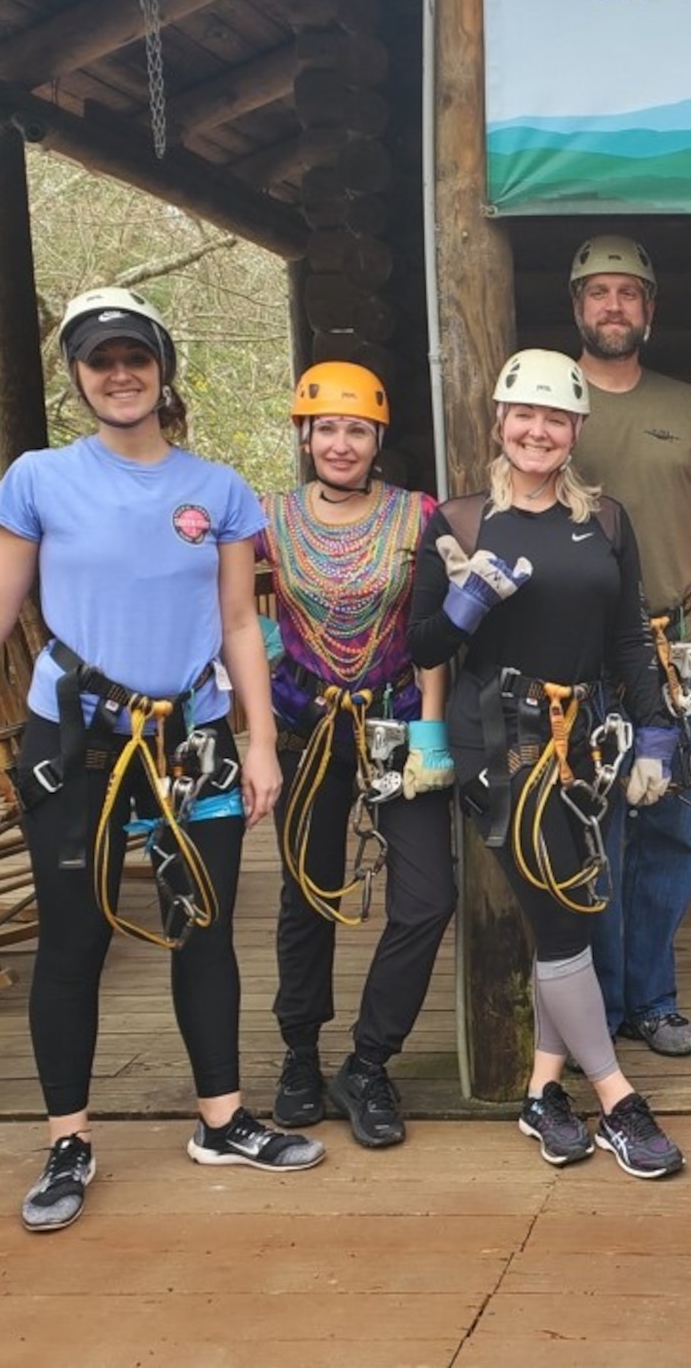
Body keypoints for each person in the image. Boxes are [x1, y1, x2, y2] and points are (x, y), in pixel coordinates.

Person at [0, 287, 322, 1233]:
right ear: (77, 376)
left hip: (193, 742)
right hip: (77, 743)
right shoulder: (38, 479)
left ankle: (223, 1120)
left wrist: (260, 740)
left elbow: (241, 621)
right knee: (75, 939)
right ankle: (68, 1137)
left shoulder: (218, 490)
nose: (120, 374)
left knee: (206, 929)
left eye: (135, 357)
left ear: (161, 369)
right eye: (100, 360)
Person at [407, 348, 686, 1180]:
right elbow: (421, 647)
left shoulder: (605, 521)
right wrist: (467, 603)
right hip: (497, 741)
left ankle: (539, 1092)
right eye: (524, 415)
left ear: (575, 431)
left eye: (555, 418)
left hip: (582, 740)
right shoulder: (458, 524)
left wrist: (657, 730)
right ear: (500, 422)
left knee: (570, 915)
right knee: (564, 920)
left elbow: (630, 639)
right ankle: (617, 1097)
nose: (538, 430)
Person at [262, 361, 456, 1149]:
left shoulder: (418, 517)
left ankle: (369, 1062)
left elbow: (434, 627)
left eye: (358, 430)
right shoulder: (266, 519)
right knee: (307, 892)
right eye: (328, 429)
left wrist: (433, 729)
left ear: (379, 439)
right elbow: (235, 619)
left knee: (427, 897)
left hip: (398, 719)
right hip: (306, 725)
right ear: (306, 436)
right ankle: (301, 1054)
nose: (342, 444)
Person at [564, 234, 691, 1059]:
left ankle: (653, 997)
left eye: (628, 293)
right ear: (577, 306)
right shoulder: (550, 401)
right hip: (584, 658)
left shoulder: (688, 404)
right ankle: (598, 1010)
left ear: (650, 309)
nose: (614, 306)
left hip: (678, 651)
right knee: (596, 834)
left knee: (671, 832)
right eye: (599, 292)